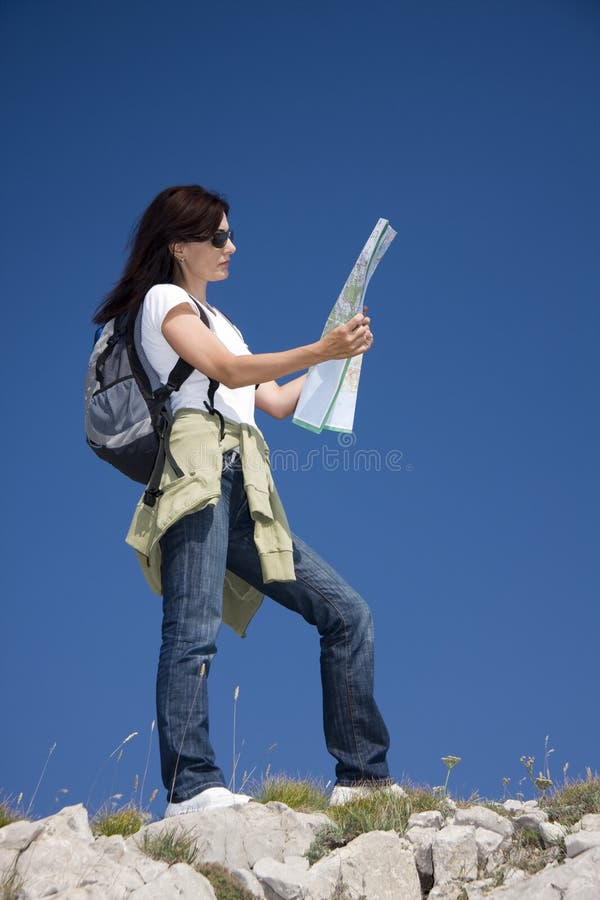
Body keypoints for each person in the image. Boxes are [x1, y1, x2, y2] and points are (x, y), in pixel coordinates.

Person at [94, 184, 401, 817]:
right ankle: (191, 788)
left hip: (247, 488)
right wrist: (321, 350)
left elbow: (281, 403)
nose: (231, 246)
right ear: (180, 245)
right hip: (199, 472)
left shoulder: (226, 325)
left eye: (230, 235)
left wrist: (340, 354)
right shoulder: (165, 302)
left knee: (348, 614)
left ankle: (362, 779)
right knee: (192, 631)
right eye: (218, 237)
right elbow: (229, 374)